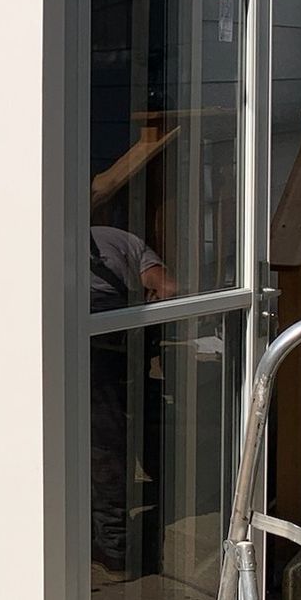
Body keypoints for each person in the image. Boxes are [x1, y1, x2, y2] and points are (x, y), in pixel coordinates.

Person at [89, 225, 177, 573]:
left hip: (88, 352)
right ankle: (118, 541)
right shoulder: (121, 239)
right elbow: (168, 288)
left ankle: (115, 546)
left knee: (102, 447)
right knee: (123, 434)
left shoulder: (46, 238)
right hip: (127, 347)